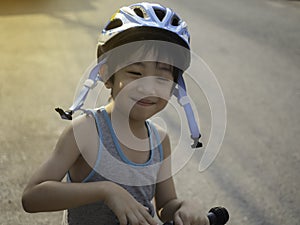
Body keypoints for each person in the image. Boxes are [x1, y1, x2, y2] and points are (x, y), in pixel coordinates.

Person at [22, 2, 208, 225]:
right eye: (135, 73)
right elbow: (32, 197)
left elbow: (165, 207)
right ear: (106, 74)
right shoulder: (86, 130)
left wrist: (185, 207)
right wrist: (106, 191)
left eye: (161, 78)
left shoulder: (160, 140)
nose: (148, 88)